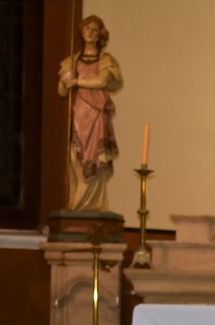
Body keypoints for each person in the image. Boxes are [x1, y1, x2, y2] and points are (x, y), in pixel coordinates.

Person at [58, 15, 123, 211]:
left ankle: (92, 205)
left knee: (93, 157)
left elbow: (102, 82)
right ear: (81, 31)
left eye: (95, 29)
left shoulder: (106, 60)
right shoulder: (72, 61)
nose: (91, 32)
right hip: (79, 113)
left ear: (99, 35)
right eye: (87, 28)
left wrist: (76, 81)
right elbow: (61, 91)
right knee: (74, 156)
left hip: (96, 115)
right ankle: (76, 203)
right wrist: (65, 78)